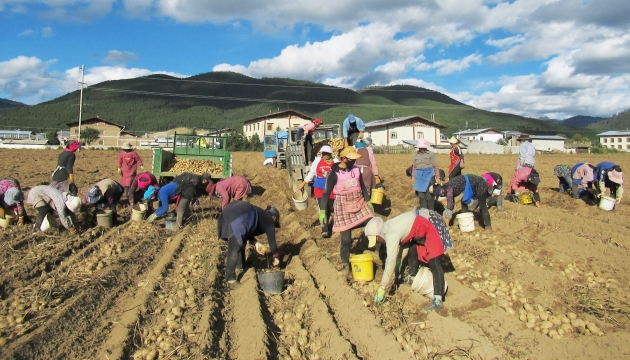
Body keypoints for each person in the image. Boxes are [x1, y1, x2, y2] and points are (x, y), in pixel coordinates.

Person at [364, 208, 452, 313]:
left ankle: (438, 300)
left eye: (376, 239)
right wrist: (399, 265)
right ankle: (413, 276)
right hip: (421, 226)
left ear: (379, 233)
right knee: (413, 249)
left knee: (434, 261)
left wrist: (383, 286)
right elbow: (404, 246)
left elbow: (390, 261)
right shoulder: (388, 227)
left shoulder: (391, 234)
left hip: (430, 223)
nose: (378, 242)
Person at [322, 146, 374, 275]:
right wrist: (323, 211)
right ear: (344, 158)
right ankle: (345, 265)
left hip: (359, 201)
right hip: (342, 204)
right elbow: (326, 192)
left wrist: (368, 201)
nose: (354, 161)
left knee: (374, 223)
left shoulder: (356, 170)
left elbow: (362, 186)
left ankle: (380, 251)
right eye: (351, 159)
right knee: (346, 240)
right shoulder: (334, 173)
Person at [218, 201, 281, 288]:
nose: (274, 225)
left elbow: (247, 231)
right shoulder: (269, 221)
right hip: (238, 219)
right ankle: (230, 279)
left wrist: (256, 243)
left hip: (227, 213)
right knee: (235, 247)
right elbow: (272, 244)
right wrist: (276, 256)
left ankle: (241, 266)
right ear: (274, 218)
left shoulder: (259, 214)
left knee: (240, 241)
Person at [300, 145, 339, 237]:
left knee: (329, 208)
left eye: (327, 154)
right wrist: (304, 182)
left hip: (331, 189)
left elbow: (339, 174)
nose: (325, 155)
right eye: (323, 153)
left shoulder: (336, 161)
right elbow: (312, 172)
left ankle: (327, 223)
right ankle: (324, 229)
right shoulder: (317, 161)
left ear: (330, 154)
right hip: (319, 188)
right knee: (322, 208)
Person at [412, 138, 440, 210]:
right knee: (421, 196)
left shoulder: (431, 154)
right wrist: (413, 175)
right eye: (420, 147)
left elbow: (435, 166)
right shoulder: (415, 155)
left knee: (429, 195)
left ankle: (431, 212)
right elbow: (414, 166)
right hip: (419, 177)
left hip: (429, 176)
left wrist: (438, 177)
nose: (422, 149)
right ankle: (424, 212)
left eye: (423, 147)